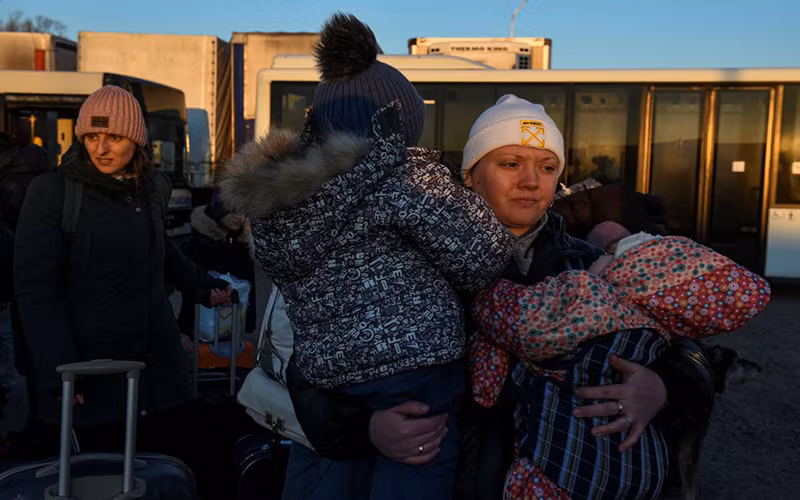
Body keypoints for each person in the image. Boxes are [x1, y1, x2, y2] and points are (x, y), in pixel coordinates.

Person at [219, 13, 513, 500]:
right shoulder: (399, 178)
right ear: (396, 126)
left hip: (331, 382)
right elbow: (483, 256)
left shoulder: (280, 205)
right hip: (417, 374)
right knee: (415, 475)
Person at [13, 85, 231, 454]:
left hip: (159, 378)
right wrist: (61, 370)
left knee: (163, 474)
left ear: (136, 140)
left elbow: (162, 254)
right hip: (92, 378)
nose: (101, 148)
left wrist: (203, 286)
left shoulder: (147, 191)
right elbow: (36, 290)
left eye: (113, 137)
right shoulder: (52, 193)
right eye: (92, 136)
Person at [177, 190, 256, 335]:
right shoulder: (195, 245)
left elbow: (249, 285)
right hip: (197, 327)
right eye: (233, 211)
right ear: (219, 212)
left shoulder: (243, 244)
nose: (239, 217)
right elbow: (185, 283)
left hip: (233, 327)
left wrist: (249, 322)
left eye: (242, 211)